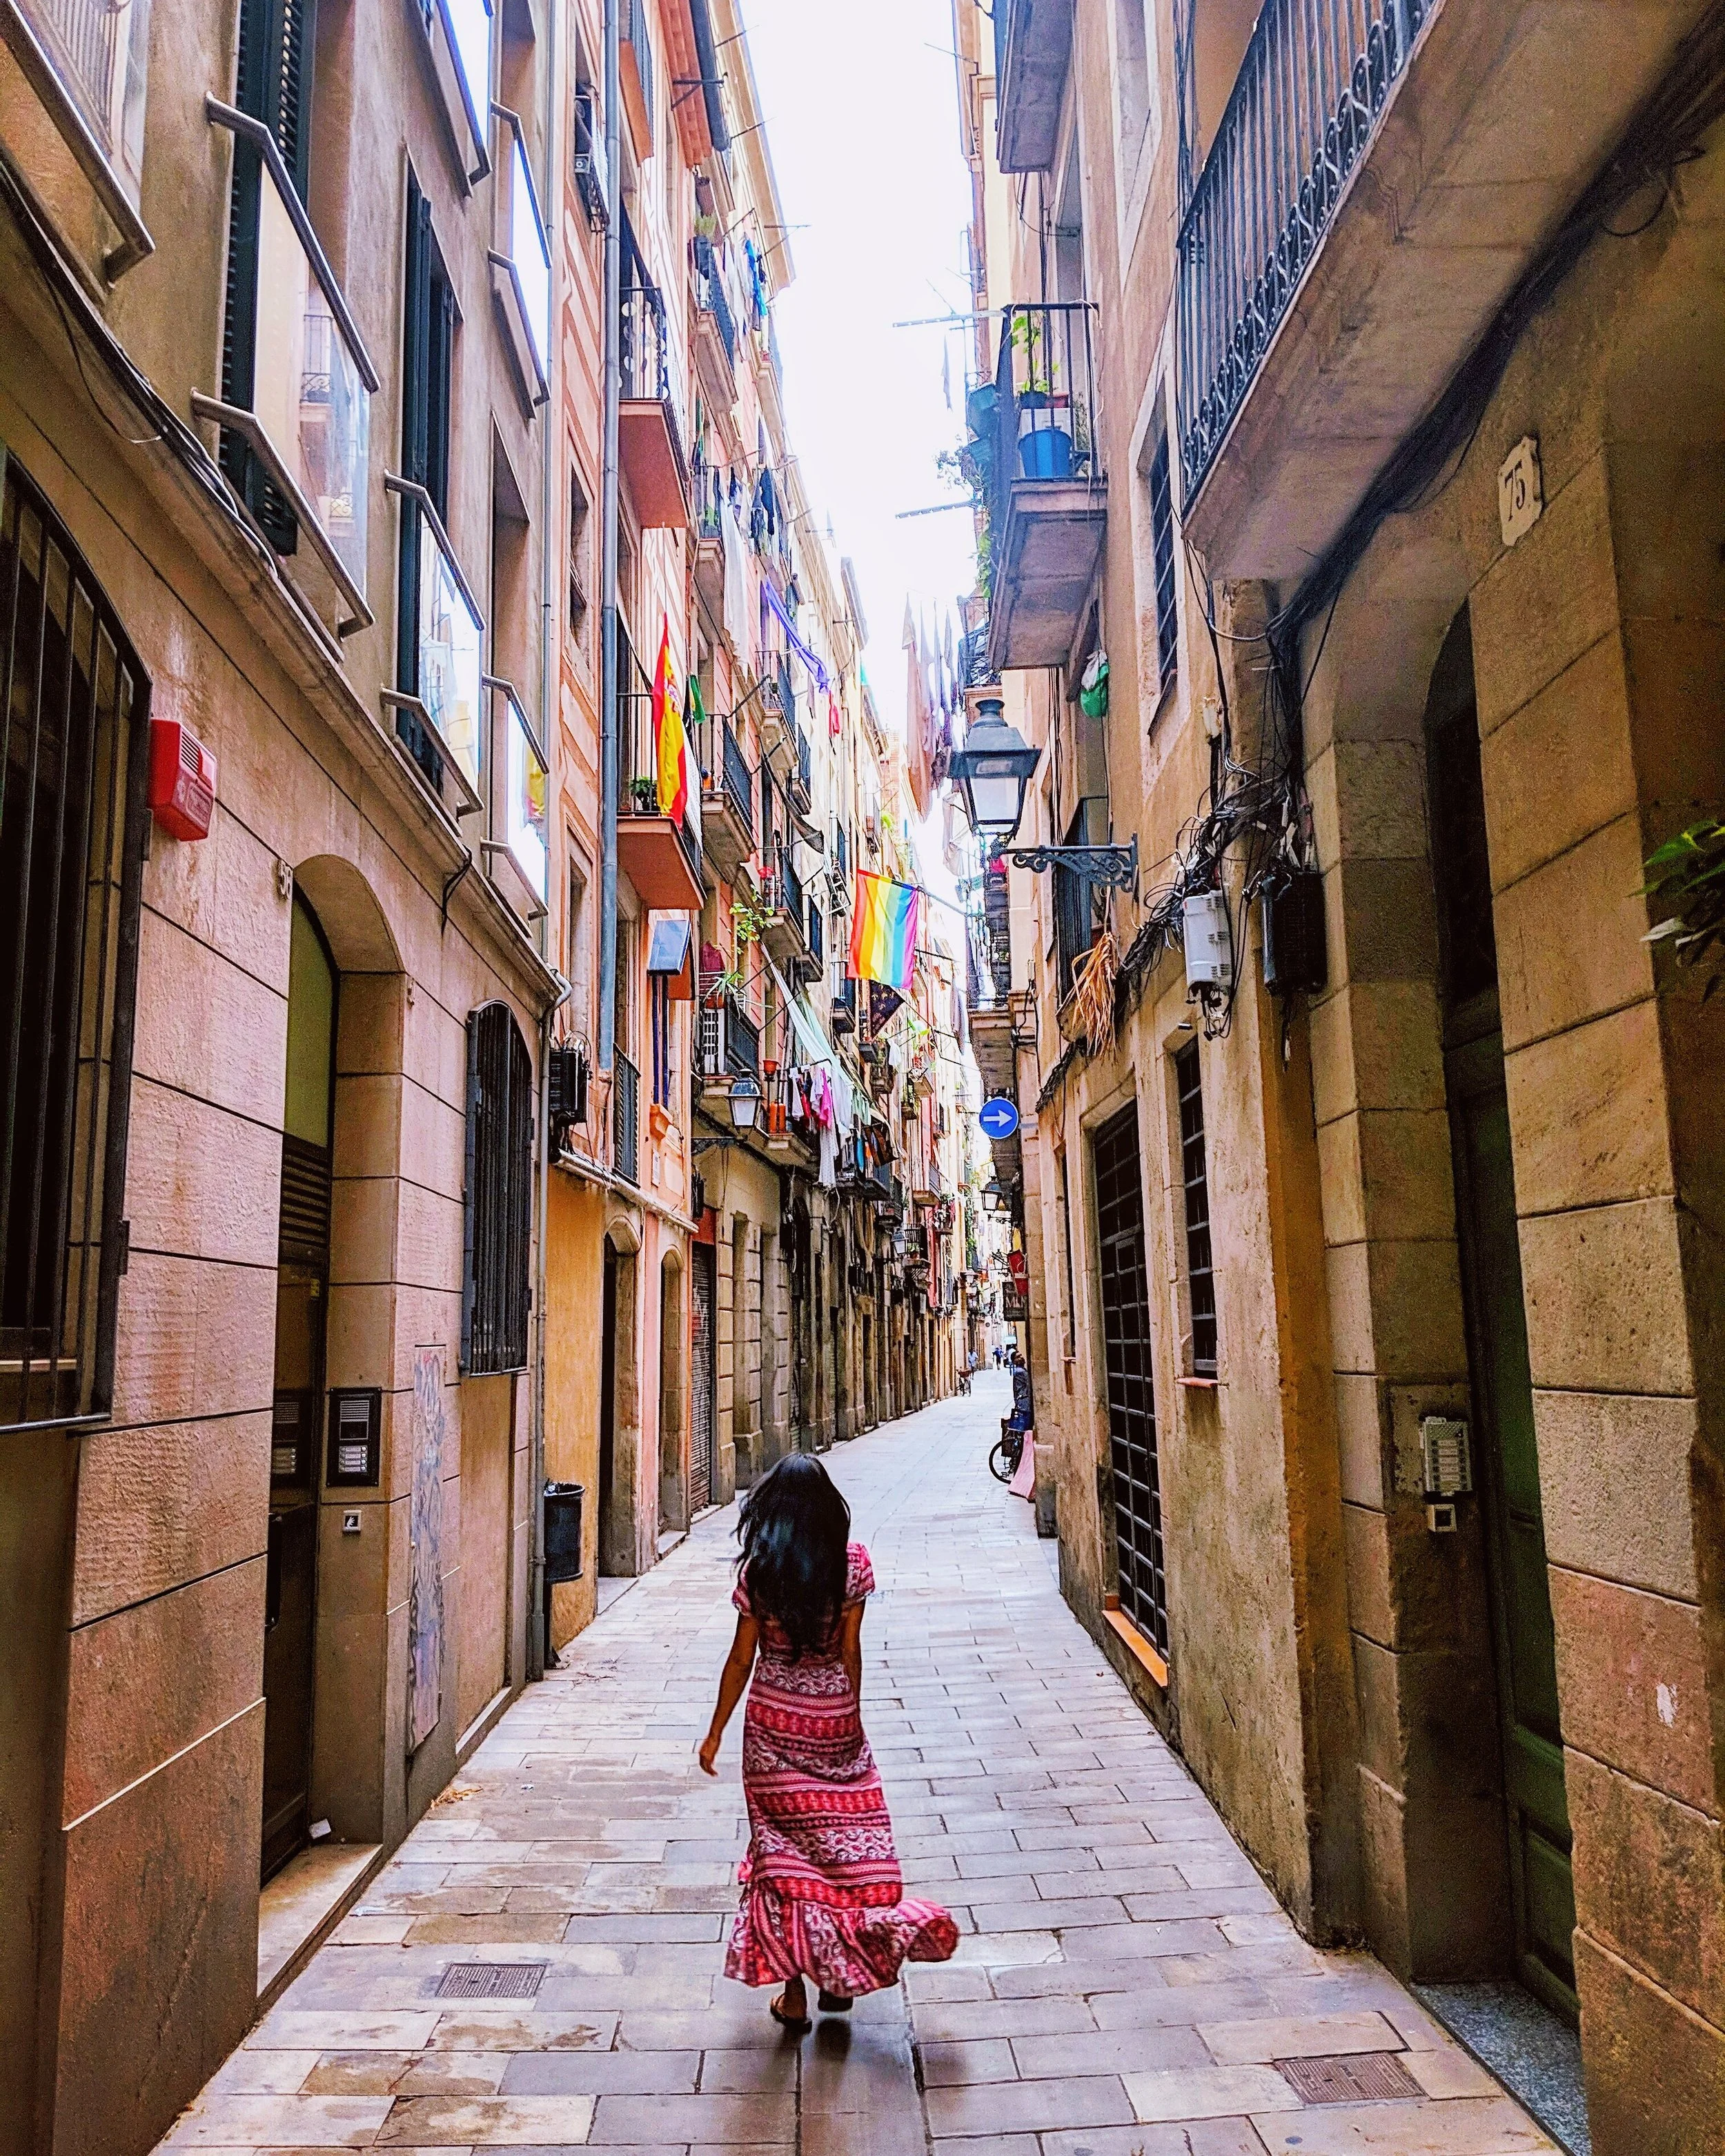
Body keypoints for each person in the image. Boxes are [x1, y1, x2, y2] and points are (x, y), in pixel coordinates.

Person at [698, 1455, 957, 2032]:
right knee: (841, 1850)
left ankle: (794, 1994)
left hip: (771, 1729)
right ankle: (841, 1976)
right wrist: (848, 1716)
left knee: (782, 1858)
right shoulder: (851, 1566)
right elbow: (850, 1650)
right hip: (832, 1721)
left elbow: (743, 1657)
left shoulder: (760, 1571)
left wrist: (716, 1729)